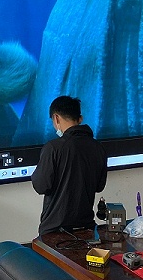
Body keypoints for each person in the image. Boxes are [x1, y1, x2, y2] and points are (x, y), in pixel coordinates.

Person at [31, 96, 108, 236]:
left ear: (56, 118)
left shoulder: (53, 148)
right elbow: (99, 186)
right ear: (80, 119)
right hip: (86, 228)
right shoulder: (98, 147)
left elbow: (41, 186)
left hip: (54, 231)